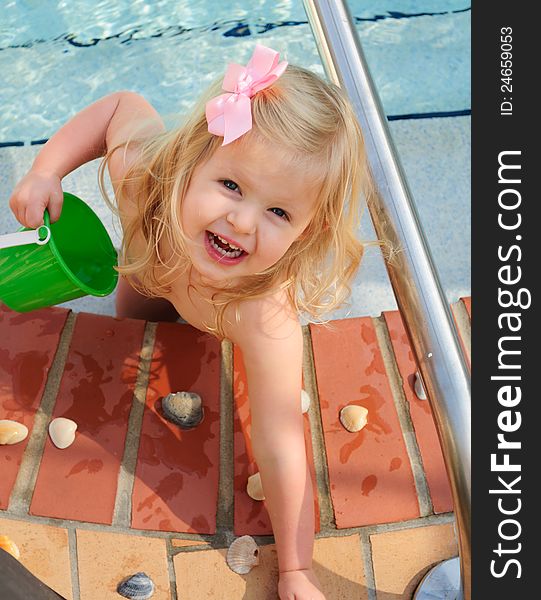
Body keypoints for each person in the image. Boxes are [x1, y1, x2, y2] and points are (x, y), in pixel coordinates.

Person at [9, 44, 369, 600]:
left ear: (307, 231)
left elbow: (279, 444)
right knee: (135, 326)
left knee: (180, 347)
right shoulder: (145, 178)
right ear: (191, 158)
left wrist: (297, 568)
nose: (243, 221)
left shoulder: (263, 312)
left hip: (218, 313)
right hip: (152, 270)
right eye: (231, 185)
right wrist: (45, 171)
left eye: (279, 213)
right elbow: (117, 109)